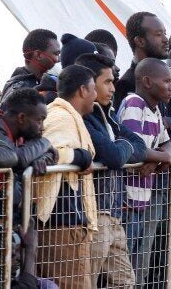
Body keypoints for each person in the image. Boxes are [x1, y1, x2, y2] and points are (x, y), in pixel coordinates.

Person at [77, 53, 147, 287]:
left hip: (114, 214)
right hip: (92, 217)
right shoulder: (83, 119)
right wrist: (122, 147)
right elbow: (115, 156)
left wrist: (121, 146)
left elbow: (139, 145)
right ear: (87, 85)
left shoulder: (109, 116)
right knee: (87, 282)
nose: (113, 88)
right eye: (107, 82)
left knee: (125, 281)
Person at [116, 58, 171, 286]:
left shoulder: (155, 110)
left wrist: (162, 155)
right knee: (122, 266)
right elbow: (135, 149)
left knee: (133, 262)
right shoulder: (135, 104)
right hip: (125, 200)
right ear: (147, 81)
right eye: (167, 81)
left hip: (141, 199)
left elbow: (167, 143)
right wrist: (161, 156)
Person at [35, 65, 98, 288]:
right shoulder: (60, 117)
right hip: (59, 226)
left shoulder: (70, 117)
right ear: (82, 90)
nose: (96, 96)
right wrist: (79, 156)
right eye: (93, 89)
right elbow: (46, 153)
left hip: (69, 225)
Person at [0, 88, 57, 226]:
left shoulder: (22, 136)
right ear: (21, 118)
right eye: (39, 121)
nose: (42, 127)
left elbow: (52, 153)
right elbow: (16, 158)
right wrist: (46, 142)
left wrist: (41, 159)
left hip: (3, 215)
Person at [114, 11, 169, 109]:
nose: (166, 39)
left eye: (165, 33)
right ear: (140, 41)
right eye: (159, 34)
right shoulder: (126, 85)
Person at [2, 29, 60, 103]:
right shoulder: (18, 89)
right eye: (56, 54)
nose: (58, 59)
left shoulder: (49, 81)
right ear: (38, 55)